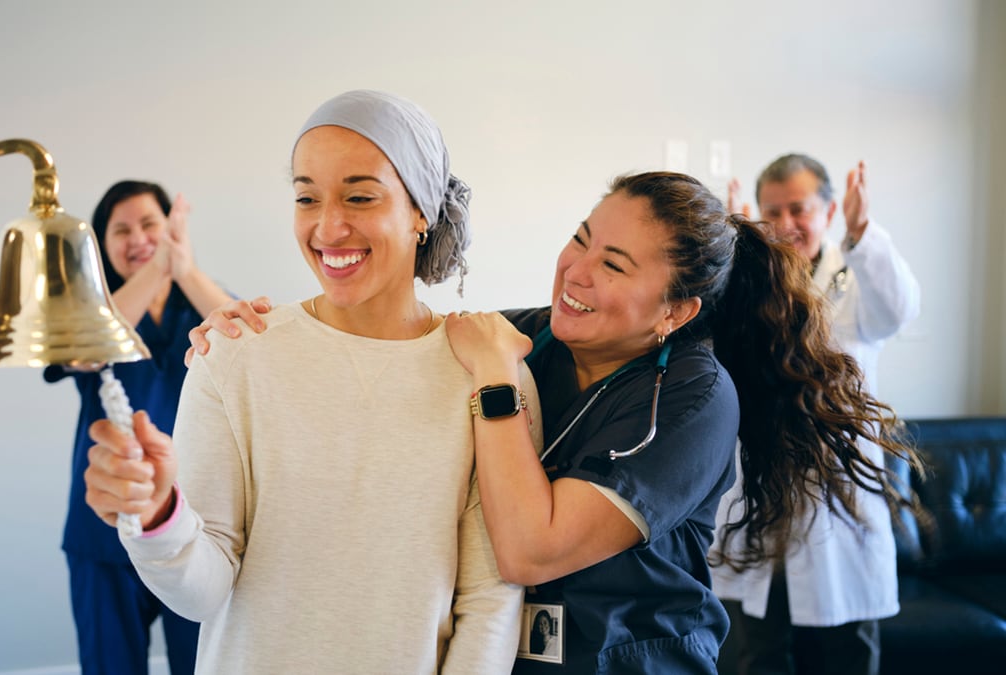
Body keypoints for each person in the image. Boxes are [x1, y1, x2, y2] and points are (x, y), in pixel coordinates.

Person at [192, 171, 919, 673]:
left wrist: (497, 381)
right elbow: (394, 337)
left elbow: (529, 549)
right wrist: (247, 327)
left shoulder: (697, 399)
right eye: (580, 236)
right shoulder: (538, 335)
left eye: (614, 262)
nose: (576, 270)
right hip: (517, 654)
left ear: (674, 311)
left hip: (631, 659)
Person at [82, 90, 534, 673]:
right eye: (306, 197)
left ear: (421, 211)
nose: (328, 227)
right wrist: (155, 514)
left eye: (360, 196)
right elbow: (201, 592)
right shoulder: (235, 354)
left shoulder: (486, 370)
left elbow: (488, 603)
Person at [714, 154, 921, 675]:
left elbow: (901, 309)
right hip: (763, 490)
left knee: (846, 655)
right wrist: (738, 251)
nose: (785, 224)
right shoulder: (750, 286)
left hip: (838, 497)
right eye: (771, 212)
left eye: (798, 209)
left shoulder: (858, 278)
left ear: (828, 211)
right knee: (759, 654)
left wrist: (864, 232)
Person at [43, 179, 233, 675]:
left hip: (192, 530)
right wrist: (159, 264)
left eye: (150, 224)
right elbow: (86, 349)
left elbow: (247, 345)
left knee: (200, 665)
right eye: (120, 231)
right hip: (104, 531)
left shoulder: (204, 303)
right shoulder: (90, 313)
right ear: (102, 247)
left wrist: (182, 267)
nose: (138, 238)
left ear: (173, 228)